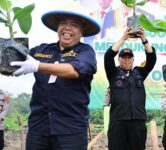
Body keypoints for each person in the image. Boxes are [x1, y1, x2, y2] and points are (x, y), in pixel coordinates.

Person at [10, 2, 100, 150]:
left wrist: (38, 66)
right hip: (38, 128)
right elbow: (13, 60)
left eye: (74, 25)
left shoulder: (86, 52)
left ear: (82, 31)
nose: (67, 28)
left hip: (71, 130)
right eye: (63, 23)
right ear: (58, 27)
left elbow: (73, 70)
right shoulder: (41, 50)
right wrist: (10, 46)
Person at [104, 26, 156, 150]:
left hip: (137, 121)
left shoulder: (139, 72)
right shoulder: (113, 73)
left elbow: (151, 59)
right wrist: (123, 38)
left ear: (133, 60)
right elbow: (108, 56)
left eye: (129, 58)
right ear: (119, 59)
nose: (126, 60)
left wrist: (143, 39)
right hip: (118, 121)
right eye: (123, 57)